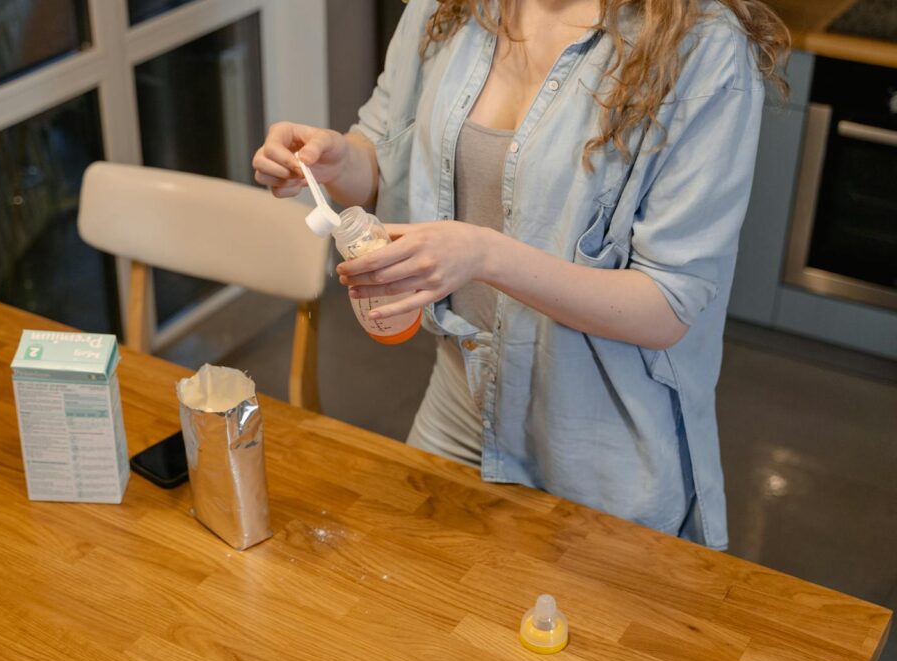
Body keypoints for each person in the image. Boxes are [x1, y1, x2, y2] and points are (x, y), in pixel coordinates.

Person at [251, 0, 788, 550]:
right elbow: (390, 152)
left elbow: (668, 304)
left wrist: (487, 256)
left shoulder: (702, 47)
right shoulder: (448, 9)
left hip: (603, 447)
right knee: (419, 610)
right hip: (464, 399)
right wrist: (340, 162)